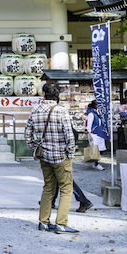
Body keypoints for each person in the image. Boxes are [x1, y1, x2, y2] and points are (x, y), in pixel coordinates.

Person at [25, 81, 79, 234]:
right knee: (66, 189)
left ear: (43, 94)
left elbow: (27, 134)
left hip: (44, 156)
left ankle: (44, 222)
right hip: (61, 155)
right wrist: (70, 154)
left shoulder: (35, 110)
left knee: (48, 187)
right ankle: (61, 223)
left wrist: (34, 147)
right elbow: (70, 136)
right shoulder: (62, 111)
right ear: (58, 95)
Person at [85, 100, 106, 171]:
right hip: (93, 134)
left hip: (99, 133)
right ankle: (96, 163)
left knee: (101, 149)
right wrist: (90, 135)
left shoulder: (97, 113)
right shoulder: (91, 114)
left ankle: (93, 162)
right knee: (95, 149)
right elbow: (89, 125)